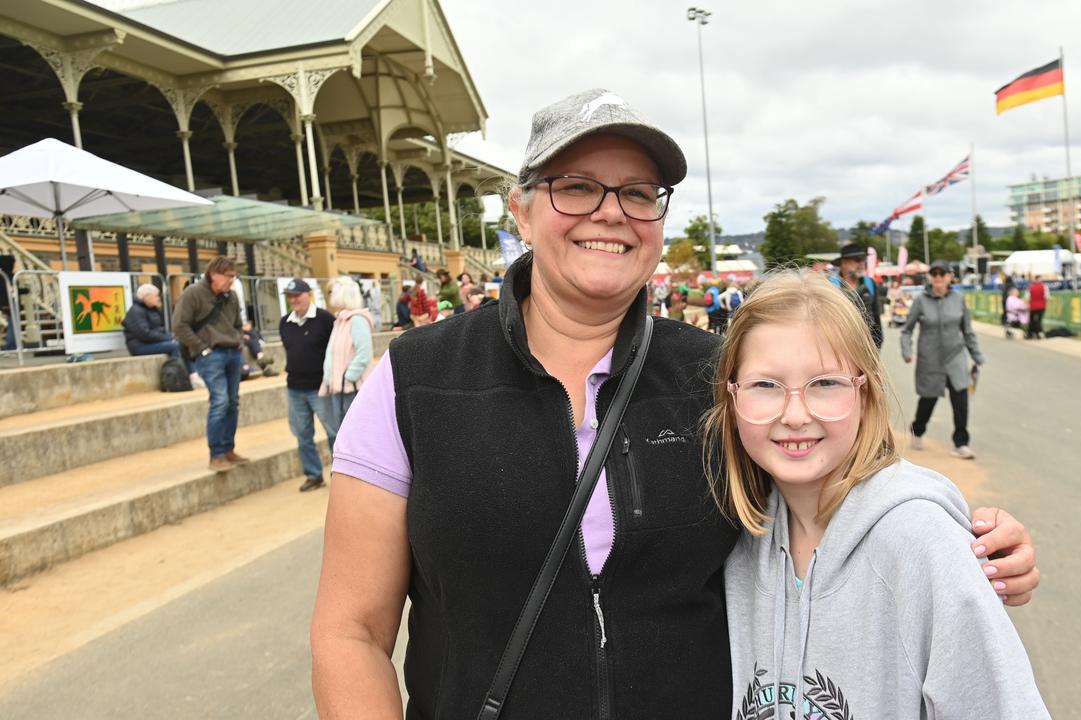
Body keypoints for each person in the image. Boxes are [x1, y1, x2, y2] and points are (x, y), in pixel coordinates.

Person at [310, 88, 1039, 719]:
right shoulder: (415, 380)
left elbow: (838, 495)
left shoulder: (713, 377)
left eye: (638, 192)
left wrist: (962, 537)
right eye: (577, 186)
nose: (612, 212)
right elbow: (351, 633)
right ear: (523, 212)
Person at [708, 270, 1048, 718]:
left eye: (825, 383)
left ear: (865, 394)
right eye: (765, 385)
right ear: (731, 400)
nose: (794, 414)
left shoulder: (920, 541)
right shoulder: (732, 536)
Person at [901, 261, 983, 460]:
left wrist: (976, 355)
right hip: (931, 359)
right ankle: (918, 430)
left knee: (961, 401)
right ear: (930, 277)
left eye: (942, 273)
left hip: (955, 358)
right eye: (934, 273)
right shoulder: (921, 301)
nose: (938, 277)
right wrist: (907, 350)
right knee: (927, 400)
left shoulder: (958, 299)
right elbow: (907, 330)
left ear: (949, 276)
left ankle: (961, 443)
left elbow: (967, 331)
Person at [172, 256, 247, 472]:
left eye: (233, 277)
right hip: (210, 354)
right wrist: (201, 348)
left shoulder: (231, 296)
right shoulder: (193, 293)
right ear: (214, 274)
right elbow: (179, 325)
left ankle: (228, 449)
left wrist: (239, 341)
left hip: (232, 351)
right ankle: (216, 453)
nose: (231, 281)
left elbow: (237, 324)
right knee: (220, 401)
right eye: (228, 276)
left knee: (232, 402)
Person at [279, 278, 339, 493]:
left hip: (320, 386)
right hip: (295, 386)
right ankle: (313, 475)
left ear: (308, 294)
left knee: (334, 432)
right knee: (302, 435)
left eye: (297, 295)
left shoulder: (325, 319)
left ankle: (341, 476)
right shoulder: (285, 322)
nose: (294, 300)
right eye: (290, 296)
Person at [123, 283, 204, 387]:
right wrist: (169, 338)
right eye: (156, 296)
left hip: (152, 343)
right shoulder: (135, 312)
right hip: (140, 346)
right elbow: (144, 334)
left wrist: (172, 337)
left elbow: (160, 329)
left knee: (184, 344)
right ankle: (181, 376)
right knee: (175, 346)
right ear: (146, 297)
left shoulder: (153, 310)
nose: (158, 298)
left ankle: (193, 375)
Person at [320, 276, 374, 431]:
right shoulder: (341, 320)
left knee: (353, 432)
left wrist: (348, 377)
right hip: (339, 388)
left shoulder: (356, 319)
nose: (329, 295)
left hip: (350, 389)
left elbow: (364, 354)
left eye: (331, 292)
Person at [835, 242, 883, 348]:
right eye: (857, 260)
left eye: (863, 259)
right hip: (840, 348)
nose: (862, 263)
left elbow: (876, 317)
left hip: (867, 348)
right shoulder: (830, 286)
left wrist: (877, 346)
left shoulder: (870, 283)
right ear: (843, 263)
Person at [1027, 275, 1049, 339]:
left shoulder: (1030, 287)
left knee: (1033, 320)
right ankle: (1038, 333)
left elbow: (1027, 297)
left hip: (1033, 306)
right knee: (1038, 320)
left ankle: (1031, 333)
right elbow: (1046, 296)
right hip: (1040, 306)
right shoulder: (1044, 286)